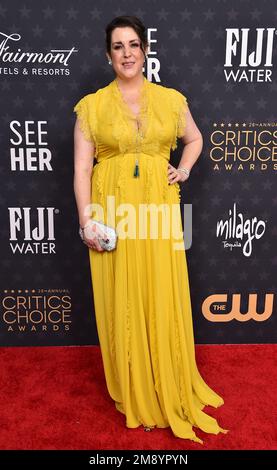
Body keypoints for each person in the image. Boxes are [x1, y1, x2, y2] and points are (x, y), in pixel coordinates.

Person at [73, 15, 227, 443]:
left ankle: (166, 379)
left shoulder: (171, 100)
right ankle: (133, 387)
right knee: (123, 296)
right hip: (114, 215)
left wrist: (183, 170)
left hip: (158, 212)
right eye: (118, 46)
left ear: (145, 51)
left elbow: (194, 139)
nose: (127, 53)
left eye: (134, 44)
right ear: (108, 56)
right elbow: (82, 168)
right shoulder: (91, 106)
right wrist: (87, 221)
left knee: (159, 291)